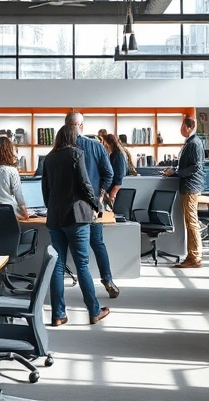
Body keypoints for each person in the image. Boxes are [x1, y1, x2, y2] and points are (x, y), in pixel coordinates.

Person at [41, 125, 109, 326]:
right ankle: (94, 311)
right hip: (77, 217)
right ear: (73, 138)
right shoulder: (76, 154)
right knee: (82, 265)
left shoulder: (49, 158)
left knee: (58, 266)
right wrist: (97, 205)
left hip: (55, 217)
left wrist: (51, 208)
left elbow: (45, 189)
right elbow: (85, 184)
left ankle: (58, 315)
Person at [65, 111, 118, 299]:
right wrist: (100, 198)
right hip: (94, 206)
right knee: (97, 243)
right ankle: (107, 279)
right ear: (81, 126)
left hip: (69, 208)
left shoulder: (60, 149)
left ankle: (80, 289)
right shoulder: (96, 147)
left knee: (73, 251)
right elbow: (109, 174)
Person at [163, 116, 206, 269]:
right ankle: (193, 255)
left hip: (190, 186)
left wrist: (176, 173)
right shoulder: (191, 142)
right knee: (190, 222)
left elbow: (196, 167)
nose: (180, 129)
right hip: (189, 186)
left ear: (189, 127)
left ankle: (195, 257)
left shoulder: (194, 143)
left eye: (182, 127)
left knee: (192, 222)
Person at [101, 134, 128, 209]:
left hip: (114, 194)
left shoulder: (118, 156)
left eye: (105, 144)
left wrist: (111, 196)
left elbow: (119, 180)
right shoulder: (113, 155)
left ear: (111, 144)